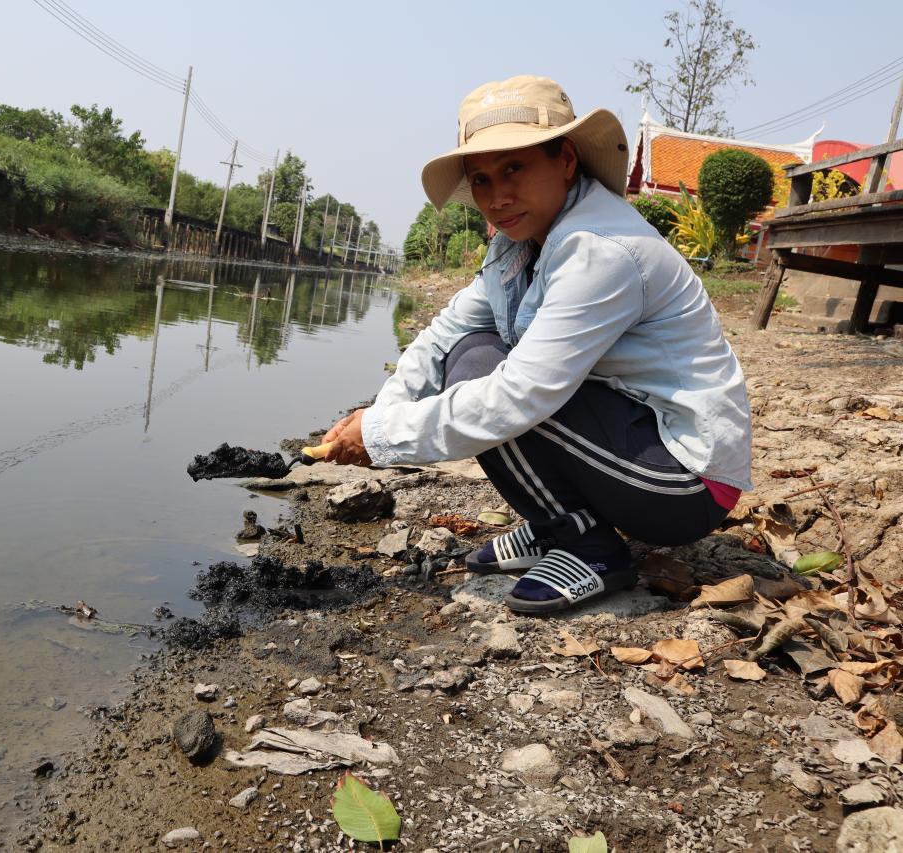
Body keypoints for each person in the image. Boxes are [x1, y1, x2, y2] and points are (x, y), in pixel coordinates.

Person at [322, 75, 753, 614]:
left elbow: (521, 395)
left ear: (566, 160)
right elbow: (444, 335)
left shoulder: (599, 249)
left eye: (515, 168)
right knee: (472, 350)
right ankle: (559, 527)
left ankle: (589, 549)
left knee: (487, 378)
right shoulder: (519, 247)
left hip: (684, 482)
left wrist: (383, 437)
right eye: (480, 178)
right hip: (627, 442)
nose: (497, 196)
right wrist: (382, 413)